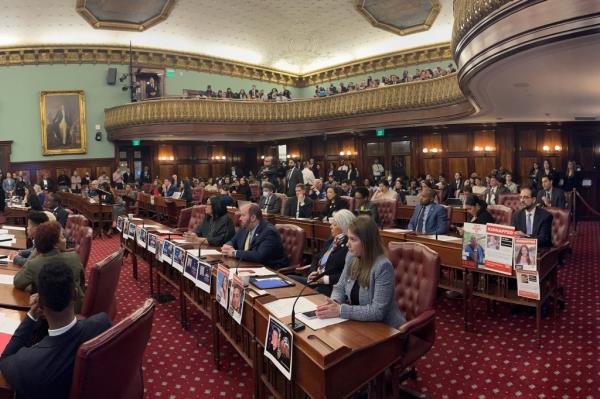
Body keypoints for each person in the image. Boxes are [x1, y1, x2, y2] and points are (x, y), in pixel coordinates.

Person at [0, 261, 111, 399]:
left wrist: (31, 316)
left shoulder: (27, 365)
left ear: (40, 302)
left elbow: (5, 359)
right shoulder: (103, 325)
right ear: (75, 294)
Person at [316, 216, 405, 327]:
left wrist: (341, 310)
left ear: (367, 242)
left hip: (384, 328)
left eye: (353, 239)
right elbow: (340, 287)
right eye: (348, 238)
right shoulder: (351, 257)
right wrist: (334, 303)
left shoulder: (383, 266)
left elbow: (377, 311)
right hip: (359, 322)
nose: (348, 244)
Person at [14, 221, 86, 311]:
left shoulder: (34, 263)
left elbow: (18, 282)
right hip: (75, 310)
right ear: (55, 244)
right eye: (63, 237)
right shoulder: (74, 257)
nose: (65, 240)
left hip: (48, 313)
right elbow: (82, 282)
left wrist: (35, 252)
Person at [291, 210, 354, 296]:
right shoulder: (332, 240)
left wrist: (325, 279)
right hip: (316, 280)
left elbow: (347, 274)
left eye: (334, 225)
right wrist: (313, 271)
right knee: (290, 280)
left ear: (343, 226)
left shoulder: (349, 245)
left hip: (330, 286)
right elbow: (317, 257)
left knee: (312, 293)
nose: (330, 227)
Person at [221, 204, 288, 268]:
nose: (240, 218)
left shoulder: (269, 232)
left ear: (253, 218)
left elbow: (259, 256)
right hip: (246, 265)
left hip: (268, 269)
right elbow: (233, 241)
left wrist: (234, 253)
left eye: (243, 215)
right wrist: (227, 247)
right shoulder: (245, 227)